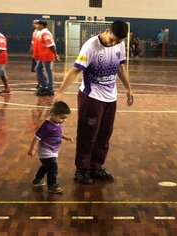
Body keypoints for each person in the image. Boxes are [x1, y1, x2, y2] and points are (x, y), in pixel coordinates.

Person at [54, 21, 134, 184]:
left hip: (111, 98)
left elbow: (121, 67)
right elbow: (75, 70)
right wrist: (61, 92)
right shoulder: (90, 46)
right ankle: (82, 170)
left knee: (104, 134)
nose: (114, 43)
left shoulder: (120, 44)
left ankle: (96, 167)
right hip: (92, 97)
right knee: (87, 134)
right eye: (112, 39)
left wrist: (128, 88)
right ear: (107, 31)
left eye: (117, 41)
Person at [28, 101, 73, 194]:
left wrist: (64, 137)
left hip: (52, 151)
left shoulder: (57, 122)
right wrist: (32, 149)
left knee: (45, 166)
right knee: (53, 168)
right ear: (53, 114)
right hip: (46, 152)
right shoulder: (47, 126)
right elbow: (37, 137)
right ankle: (52, 186)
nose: (64, 120)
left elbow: (57, 133)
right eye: (62, 118)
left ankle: (37, 180)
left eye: (65, 118)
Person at [35, 20, 60, 96]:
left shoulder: (45, 33)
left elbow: (51, 45)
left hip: (47, 56)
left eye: (38, 24)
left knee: (48, 71)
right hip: (42, 56)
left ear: (42, 25)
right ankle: (44, 85)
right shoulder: (40, 33)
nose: (36, 26)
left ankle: (50, 89)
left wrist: (55, 54)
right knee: (38, 69)